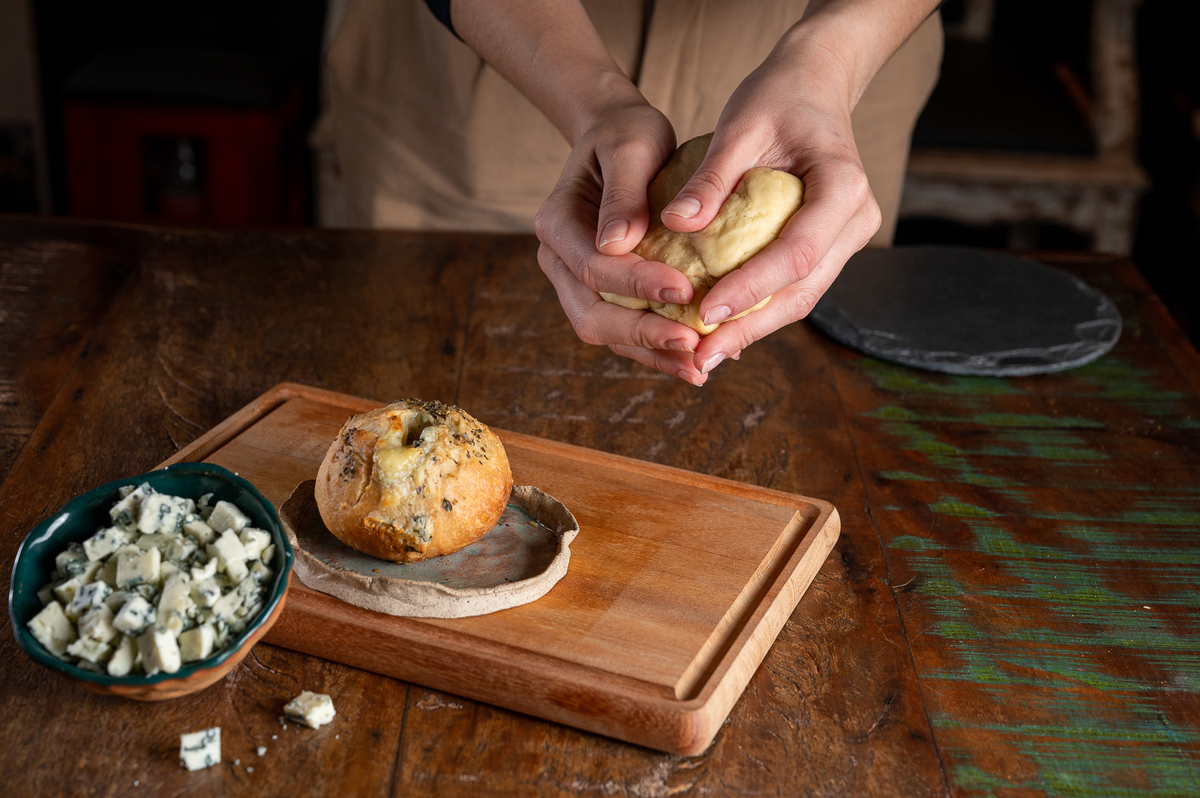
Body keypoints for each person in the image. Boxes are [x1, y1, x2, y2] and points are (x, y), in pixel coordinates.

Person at [324, 0, 943, 385]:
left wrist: (828, 59)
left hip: (843, 50)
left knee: (810, 387)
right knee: (433, 369)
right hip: (505, 50)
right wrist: (594, 102)